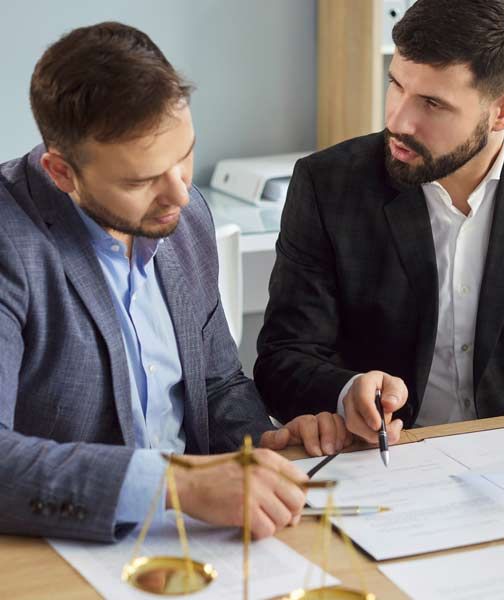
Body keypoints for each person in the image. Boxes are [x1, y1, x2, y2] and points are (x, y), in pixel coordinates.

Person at [0, 22, 352, 543]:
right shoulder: (11, 242)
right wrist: (178, 482)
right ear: (61, 173)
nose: (180, 196)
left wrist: (262, 445)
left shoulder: (183, 216)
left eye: (185, 154)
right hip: (58, 549)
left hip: (194, 541)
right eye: (140, 180)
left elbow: (215, 381)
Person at [255, 0, 504, 445]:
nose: (398, 120)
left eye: (432, 103)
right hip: (388, 461)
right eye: (396, 85)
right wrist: (344, 392)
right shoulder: (327, 184)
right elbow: (283, 358)